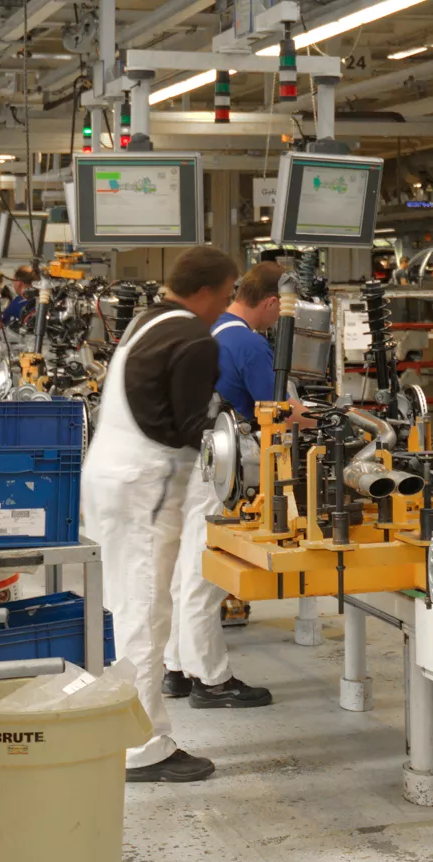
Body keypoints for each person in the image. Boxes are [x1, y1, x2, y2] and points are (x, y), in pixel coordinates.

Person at [81, 245, 240, 783]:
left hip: (111, 477)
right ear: (206, 291)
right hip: (144, 485)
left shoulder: (149, 320)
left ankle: (133, 731)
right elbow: (184, 428)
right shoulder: (195, 337)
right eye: (226, 294)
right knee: (146, 618)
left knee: (135, 610)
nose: (227, 304)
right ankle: (141, 748)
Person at [160, 261, 281, 710]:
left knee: (182, 570)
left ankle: (175, 668)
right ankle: (211, 681)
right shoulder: (247, 343)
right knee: (203, 574)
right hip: (217, 468)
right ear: (270, 302)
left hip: (186, 461)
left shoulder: (207, 332)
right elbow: (276, 410)